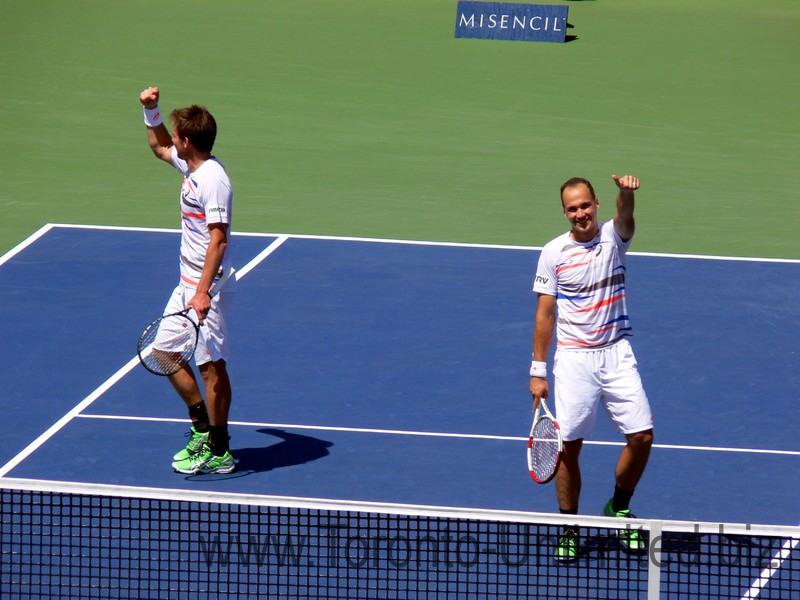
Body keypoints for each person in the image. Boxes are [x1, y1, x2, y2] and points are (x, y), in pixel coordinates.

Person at [529, 175, 654, 561]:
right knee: (568, 449)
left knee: (642, 438)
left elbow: (627, 214)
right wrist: (538, 369)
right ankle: (569, 527)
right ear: (564, 212)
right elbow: (545, 314)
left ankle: (618, 507)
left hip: (616, 353)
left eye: (585, 205)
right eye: (572, 208)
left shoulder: (615, 237)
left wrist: (627, 193)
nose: (580, 213)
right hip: (573, 361)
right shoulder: (553, 252)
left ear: (597, 204)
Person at [139, 86, 236, 474]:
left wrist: (200, 293)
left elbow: (219, 238)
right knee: (163, 354)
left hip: (206, 289)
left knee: (212, 367)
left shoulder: (213, 180)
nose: (172, 141)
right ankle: (201, 427)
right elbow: (159, 147)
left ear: (189, 141)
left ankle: (219, 449)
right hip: (187, 284)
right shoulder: (191, 165)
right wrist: (152, 111)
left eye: (178, 135)